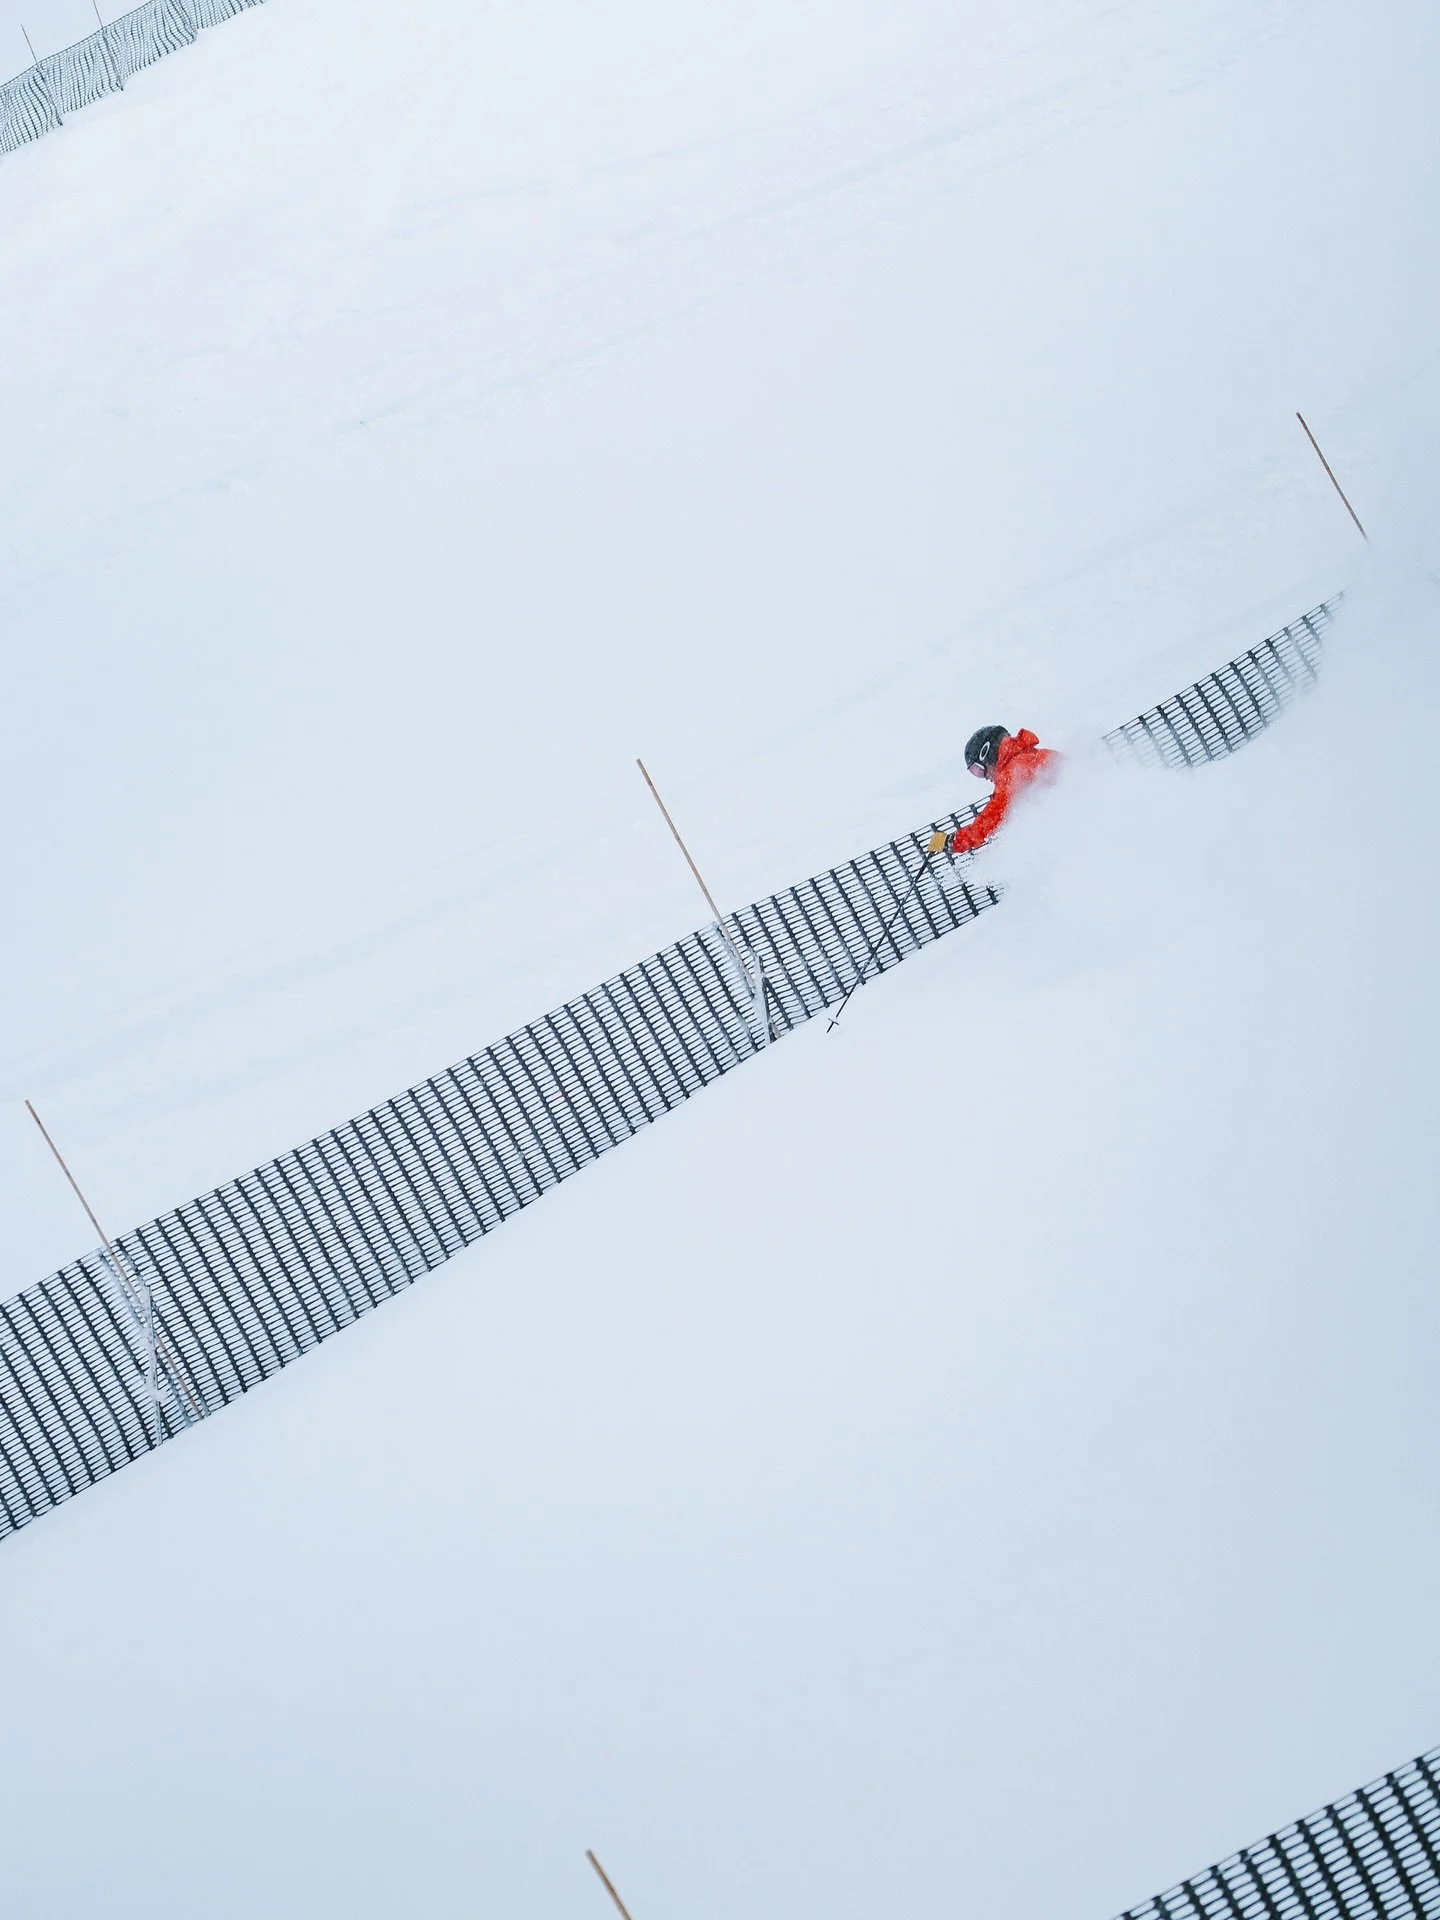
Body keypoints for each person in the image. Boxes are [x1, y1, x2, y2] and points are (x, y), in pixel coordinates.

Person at [927, 725, 1059, 857]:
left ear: (988, 754)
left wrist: (952, 842)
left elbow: (989, 821)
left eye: (979, 770)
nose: (985, 777)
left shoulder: (1012, 773)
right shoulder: (1033, 756)